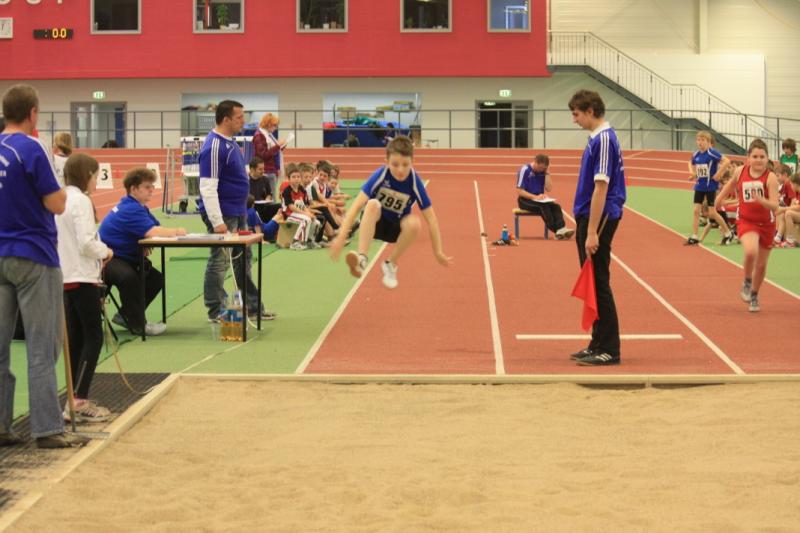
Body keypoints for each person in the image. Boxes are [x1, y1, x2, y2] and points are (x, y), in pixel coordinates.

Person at [0, 84, 87, 448]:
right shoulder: (32, 147)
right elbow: (56, 204)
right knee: (42, 345)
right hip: (34, 255)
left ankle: (2, 425)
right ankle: (47, 428)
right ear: (33, 113)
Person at [329, 135, 451, 289]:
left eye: (405, 165)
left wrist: (438, 251)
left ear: (412, 162)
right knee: (372, 204)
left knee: (415, 223)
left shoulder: (414, 181)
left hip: (396, 229)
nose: (400, 170)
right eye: (395, 164)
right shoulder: (380, 175)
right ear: (386, 162)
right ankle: (362, 258)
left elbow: (431, 219)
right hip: (376, 223)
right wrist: (341, 237)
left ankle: (390, 263)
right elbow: (356, 205)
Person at [199, 100, 276, 321]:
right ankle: (216, 310)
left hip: (238, 211)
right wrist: (217, 222)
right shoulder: (214, 146)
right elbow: (207, 187)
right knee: (220, 262)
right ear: (226, 119)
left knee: (243, 260)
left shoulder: (230, 142)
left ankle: (251, 306)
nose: (244, 121)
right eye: (239, 117)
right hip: (224, 214)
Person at [567, 90, 626, 366]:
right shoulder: (598, 138)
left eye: (576, 114)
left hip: (599, 218)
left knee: (599, 281)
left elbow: (601, 187)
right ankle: (597, 342)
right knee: (593, 280)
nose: (574, 120)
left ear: (590, 111)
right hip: (591, 216)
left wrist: (591, 231)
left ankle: (610, 349)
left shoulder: (603, 140)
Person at [55, 153, 113, 422]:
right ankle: (78, 399)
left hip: (67, 275)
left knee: (76, 338)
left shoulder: (61, 198)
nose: (96, 181)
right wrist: (106, 251)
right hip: (81, 276)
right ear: (87, 175)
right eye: (95, 176)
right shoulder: (80, 200)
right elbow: (86, 243)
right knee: (93, 337)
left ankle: (74, 398)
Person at [99, 168, 186, 336]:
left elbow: (156, 227)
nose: (151, 190)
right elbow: (153, 231)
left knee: (155, 278)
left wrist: (149, 236)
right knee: (128, 278)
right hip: (107, 259)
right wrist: (177, 230)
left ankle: (125, 315)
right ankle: (138, 325)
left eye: (152, 186)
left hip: (123, 256)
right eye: (147, 187)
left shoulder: (139, 207)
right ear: (133, 189)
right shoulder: (130, 209)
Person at [715, 139, 779, 312]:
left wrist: (762, 200)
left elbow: (775, 206)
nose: (758, 160)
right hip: (746, 220)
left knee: (762, 265)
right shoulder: (740, 171)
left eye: (762, 157)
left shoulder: (771, 178)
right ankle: (747, 281)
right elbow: (731, 185)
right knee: (751, 251)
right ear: (748, 158)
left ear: (767, 158)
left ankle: (754, 295)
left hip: (766, 224)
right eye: (755, 156)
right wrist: (719, 199)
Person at [685, 131, 734, 246]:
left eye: (703, 140)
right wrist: (692, 173)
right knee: (696, 211)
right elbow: (690, 162)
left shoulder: (712, 153)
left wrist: (718, 173)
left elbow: (727, 161)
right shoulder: (696, 154)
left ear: (708, 142)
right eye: (698, 140)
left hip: (710, 186)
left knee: (712, 213)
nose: (700, 142)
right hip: (699, 186)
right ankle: (695, 236)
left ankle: (728, 233)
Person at [516, 154, 575, 240]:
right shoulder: (525, 170)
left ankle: (562, 229)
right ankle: (558, 231)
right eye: (540, 168)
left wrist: (547, 173)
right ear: (535, 162)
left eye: (543, 168)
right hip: (525, 200)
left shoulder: (544, 171)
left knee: (556, 206)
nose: (541, 170)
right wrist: (534, 197)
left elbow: (549, 188)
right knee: (543, 207)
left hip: (540, 199)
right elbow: (519, 191)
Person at [281, 163, 321, 250]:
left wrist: (309, 213)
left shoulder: (302, 190)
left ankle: (310, 241)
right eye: (294, 177)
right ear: (289, 179)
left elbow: (304, 205)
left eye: (298, 177)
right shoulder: (287, 191)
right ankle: (295, 242)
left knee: (316, 222)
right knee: (306, 219)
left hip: (299, 213)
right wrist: (306, 214)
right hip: (289, 214)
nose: (296, 179)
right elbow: (291, 207)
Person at [252, 113, 287, 198]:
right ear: (268, 124)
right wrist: (278, 146)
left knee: (272, 196)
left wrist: (281, 146)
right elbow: (263, 154)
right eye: (274, 125)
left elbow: (274, 150)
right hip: (266, 171)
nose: (276, 127)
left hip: (272, 170)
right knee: (269, 197)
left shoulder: (268, 134)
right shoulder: (259, 135)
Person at [772, 164, 796, 245]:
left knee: (783, 213)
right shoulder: (784, 185)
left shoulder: (789, 183)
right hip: (789, 208)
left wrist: (789, 209)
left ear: (785, 175)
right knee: (778, 211)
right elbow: (778, 196)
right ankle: (777, 237)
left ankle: (779, 237)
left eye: (777, 176)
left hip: (793, 209)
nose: (776, 178)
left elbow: (793, 199)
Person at [778, 173, 800, 248]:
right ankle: (778, 238)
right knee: (784, 213)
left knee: (788, 213)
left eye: (791, 184)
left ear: (796, 184)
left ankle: (790, 241)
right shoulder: (797, 192)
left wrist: (784, 209)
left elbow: (798, 207)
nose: (790, 186)